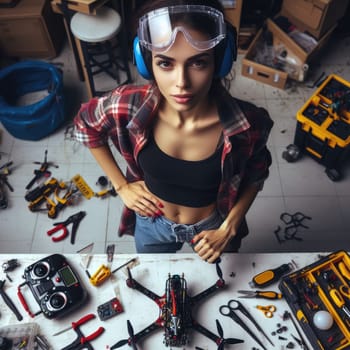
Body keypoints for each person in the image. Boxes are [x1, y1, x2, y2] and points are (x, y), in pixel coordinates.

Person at [74, 0, 273, 263]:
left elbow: (257, 173)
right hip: (151, 224)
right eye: (165, 63)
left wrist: (230, 227)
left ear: (220, 61)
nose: (181, 83)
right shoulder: (127, 104)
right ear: (146, 63)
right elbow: (85, 123)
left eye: (198, 63)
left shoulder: (249, 123)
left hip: (212, 230)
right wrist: (121, 185)